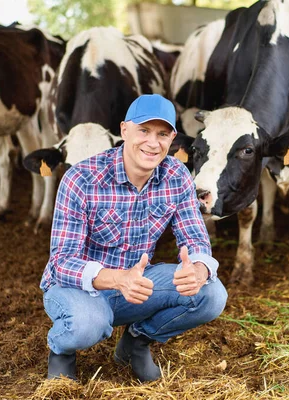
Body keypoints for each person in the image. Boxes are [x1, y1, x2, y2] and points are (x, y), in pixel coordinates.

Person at [40, 94, 227, 382]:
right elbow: (62, 263)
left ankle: (135, 344)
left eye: (162, 134)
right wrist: (118, 279)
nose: (153, 143)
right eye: (144, 131)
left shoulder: (176, 174)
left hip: (135, 286)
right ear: (124, 130)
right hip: (77, 288)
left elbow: (196, 239)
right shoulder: (81, 179)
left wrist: (199, 269)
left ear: (173, 138)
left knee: (212, 294)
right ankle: (62, 351)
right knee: (88, 323)